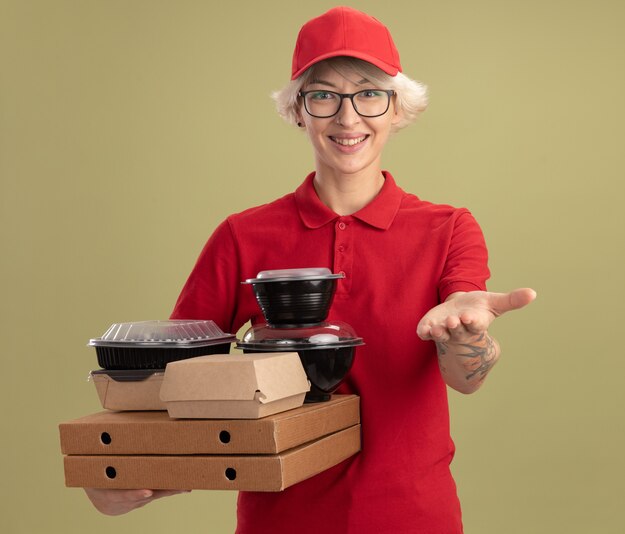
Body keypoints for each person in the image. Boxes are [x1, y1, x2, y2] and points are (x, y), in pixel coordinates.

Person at [84, 6, 536, 532]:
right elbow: (176, 382)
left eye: (369, 93)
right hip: (278, 522)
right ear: (298, 110)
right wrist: (119, 472)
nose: (348, 118)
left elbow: (465, 378)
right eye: (324, 95)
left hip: (414, 517)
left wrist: (466, 332)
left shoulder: (449, 228)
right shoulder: (242, 235)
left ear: (397, 109)